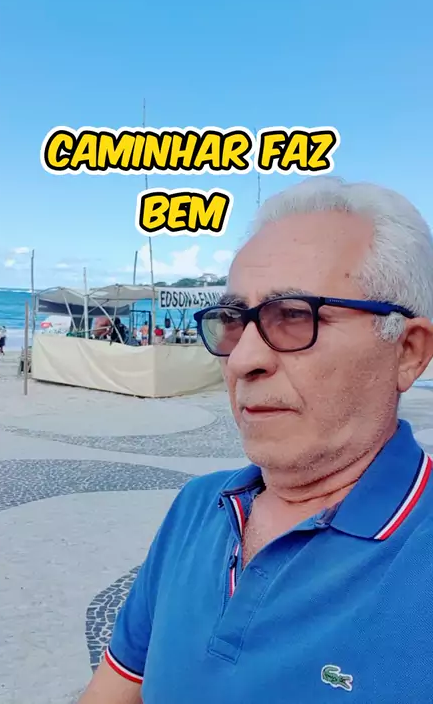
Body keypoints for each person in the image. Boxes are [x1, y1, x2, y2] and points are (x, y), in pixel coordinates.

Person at [77, 177, 433, 704]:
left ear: (407, 351)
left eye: (294, 315)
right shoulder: (199, 507)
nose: (242, 359)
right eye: (232, 321)